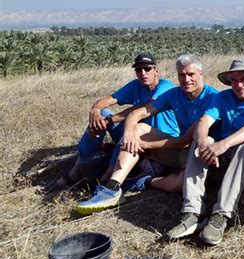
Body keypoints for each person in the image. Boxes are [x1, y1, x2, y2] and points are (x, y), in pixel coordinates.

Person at [75, 54, 219, 214]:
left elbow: (185, 141)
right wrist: (129, 134)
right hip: (177, 151)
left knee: (180, 184)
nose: (186, 79)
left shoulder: (213, 98)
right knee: (138, 128)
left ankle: (143, 182)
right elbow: (137, 114)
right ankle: (112, 188)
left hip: (199, 154)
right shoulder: (175, 94)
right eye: (181, 75)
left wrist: (146, 145)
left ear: (201, 74)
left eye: (191, 74)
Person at [166, 59, 244, 246]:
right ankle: (192, 213)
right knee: (202, 140)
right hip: (225, 162)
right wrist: (203, 143)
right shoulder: (223, 97)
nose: (239, 85)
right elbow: (204, 121)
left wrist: (223, 144)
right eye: (234, 80)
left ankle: (221, 216)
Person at [57, 52, 178, 188]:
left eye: (147, 69)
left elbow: (142, 109)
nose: (143, 73)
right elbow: (108, 100)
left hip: (158, 138)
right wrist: (95, 112)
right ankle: (83, 161)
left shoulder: (166, 87)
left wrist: (110, 120)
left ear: (156, 70)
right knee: (103, 113)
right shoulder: (135, 86)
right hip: (137, 131)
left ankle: (105, 179)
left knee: (128, 128)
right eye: (139, 70)